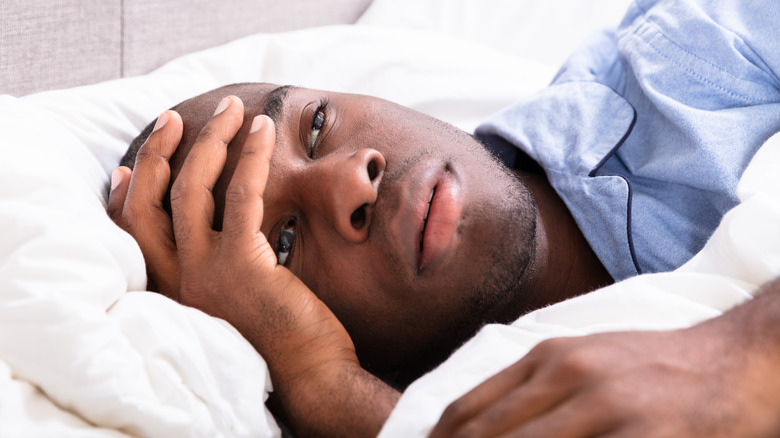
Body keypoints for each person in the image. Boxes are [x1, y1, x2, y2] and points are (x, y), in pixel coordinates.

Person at [107, 0, 780, 436]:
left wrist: (744, 355)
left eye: (316, 127)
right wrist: (321, 381)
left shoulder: (697, 57)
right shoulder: (373, 398)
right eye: (283, 243)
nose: (349, 180)